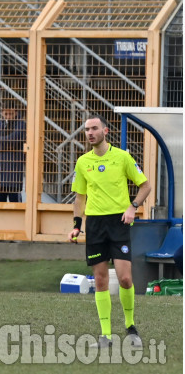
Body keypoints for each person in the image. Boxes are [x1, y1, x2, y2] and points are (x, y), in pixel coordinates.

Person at [68, 114, 151, 349]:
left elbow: (145, 186)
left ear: (106, 131)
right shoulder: (83, 162)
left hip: (119, 223)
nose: (90, 133)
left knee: (125, 278)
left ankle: (131, 326)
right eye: (86, 130)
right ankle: (105, 336)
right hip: (94, 224)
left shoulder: (122, 157)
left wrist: (133, 207)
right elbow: (80, 196)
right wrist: (76, 225)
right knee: (101, 279)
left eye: (94, 128)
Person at [0, 100, 26, 202]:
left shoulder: (21, 125)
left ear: (16, 113)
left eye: (11, 114)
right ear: (2, 113)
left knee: (16, 208)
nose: (8, 117)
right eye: (6, 114)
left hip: (13, 173)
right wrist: (8, 144)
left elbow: (14, 140)